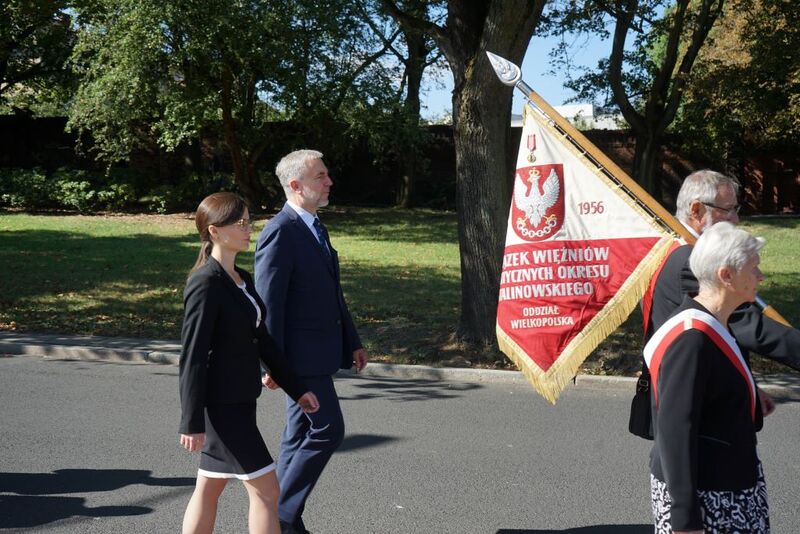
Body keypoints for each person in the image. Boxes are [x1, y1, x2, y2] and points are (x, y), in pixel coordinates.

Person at [179, 192, 321, 534]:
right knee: (268, 491)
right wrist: (191, 420)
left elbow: (263, 342)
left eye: (248, 221)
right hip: (222, 406)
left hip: (242, 401)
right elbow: (193, 356)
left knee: (209, 486)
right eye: (239, 223)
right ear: (214, 231)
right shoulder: (205, 283)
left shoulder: (241, 279)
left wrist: (297, 388)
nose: (248, 229)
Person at [631, 170, 800, 438]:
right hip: (701, 411)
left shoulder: (668, 247)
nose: (736, 219)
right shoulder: (690, 259)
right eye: (729, 210)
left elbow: (717, 332)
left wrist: (748, 385)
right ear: (696, 210)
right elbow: (743, 324)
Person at [254, 149, 368, 534]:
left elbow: (333, 293)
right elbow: (268, 306)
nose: (329, 182)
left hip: (319, 352)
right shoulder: (280, 232)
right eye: (321, 176)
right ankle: (281, 517)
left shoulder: (315, 226)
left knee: (299, 434)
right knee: (327, 429)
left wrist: (351, 340)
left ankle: (278, 520)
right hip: (299, 360)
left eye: (327, 174)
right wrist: (272, 365)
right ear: (295, 186)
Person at [646, 222, 769, 533]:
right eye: (754, 269)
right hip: (710, 497)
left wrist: (749, 397)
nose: (761, 277)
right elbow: (675, 428)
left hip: (727, 483)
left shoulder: (716, 322)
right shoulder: (692, 338)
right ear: (726, 276)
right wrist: (685, 519)